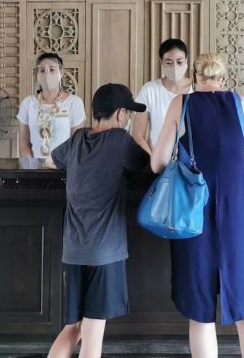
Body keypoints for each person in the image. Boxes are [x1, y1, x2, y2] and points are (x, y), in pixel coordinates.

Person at [151, 53, 244, 358]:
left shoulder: (182, 103)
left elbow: (158, 163)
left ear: (194, 76)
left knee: (201, 311)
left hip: (194, 215)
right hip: (236, 213)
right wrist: (233, 169)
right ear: (224, 78)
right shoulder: (242, 103)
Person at [44, 83, 150, 358]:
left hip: (73, 251)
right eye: (127, 112)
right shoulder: (120, 141)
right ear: (120, 114)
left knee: (73, 327)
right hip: (105, 252)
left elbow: (51, 161)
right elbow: (151, 166)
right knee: (93, 331)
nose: (127, 118)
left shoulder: (78, 139)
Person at [17, 52, 86, 167]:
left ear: (61, 72)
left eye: (52, 69)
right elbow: (24, 145)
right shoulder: (27, 104)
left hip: (64, 168)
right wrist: (32, 169)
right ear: (37, 74)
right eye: (42, 70)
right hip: (34, 170)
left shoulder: (74, 103)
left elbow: (76, 145)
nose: (47, 74)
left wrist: (59, 166)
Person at [131, 38, 193, 153]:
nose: (175, 67)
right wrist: (153, 162)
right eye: (169, 63)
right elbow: (138, 136)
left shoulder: (197, 89)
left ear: (187, 60)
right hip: (158, 163)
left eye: (179, 62)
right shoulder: (150, 90)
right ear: (161, 62)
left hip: (192, 163)